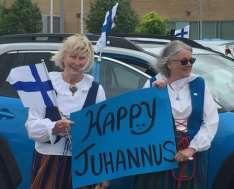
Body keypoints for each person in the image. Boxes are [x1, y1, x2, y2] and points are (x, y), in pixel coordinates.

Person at [25, 34, 108, 189]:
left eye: (82, 58)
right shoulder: (45, 84)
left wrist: (102, 173)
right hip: (48, 160)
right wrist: (54, 127)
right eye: (73, 56)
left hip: (82, 165)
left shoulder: (96, 90)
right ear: (64, 57)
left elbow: (100, 134)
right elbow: (31, 127)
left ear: (88, 61)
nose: (77, 62)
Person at [133, 40, 219, 189]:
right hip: (159, 156)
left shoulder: (199, 84)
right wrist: (153, 94)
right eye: (184, 61)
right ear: (169, 63)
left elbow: (211, 121)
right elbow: (141, 120)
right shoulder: (153, 84)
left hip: (192, 155)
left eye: (191, 60)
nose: (189, 64)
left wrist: (192, 148)